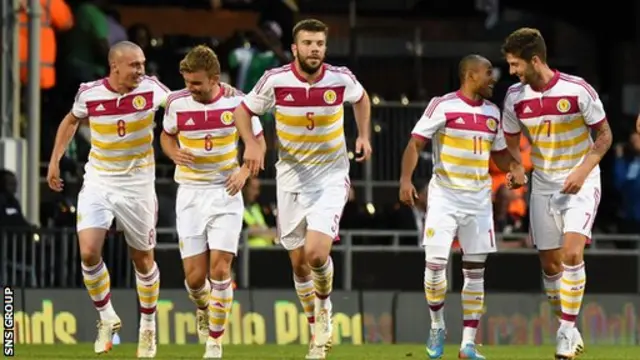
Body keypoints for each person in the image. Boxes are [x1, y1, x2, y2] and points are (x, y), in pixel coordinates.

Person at [234, 18, 372, 360]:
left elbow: (362, 98)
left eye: (320, 44)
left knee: (315, 254)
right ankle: (316, 334)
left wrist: (363, 134)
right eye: (308, 43)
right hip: (290, 178)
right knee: (298, 264)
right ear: (295, 48)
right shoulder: (275, 79)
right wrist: (252, 142)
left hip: (330, 176)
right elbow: (243, 109)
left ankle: (324, 312)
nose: (315, 49)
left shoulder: (340, 78)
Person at [399, 54, 525, 360]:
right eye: (487, 73)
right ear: (470, 76)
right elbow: (416, 143)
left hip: (479, 199)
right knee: (434, 268)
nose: (492, 79)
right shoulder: (442, 106)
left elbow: (499, 156)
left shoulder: (493, 113)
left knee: (475, 272)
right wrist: (405, 179)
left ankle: (468, 344)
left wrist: (516, 167)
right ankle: (437, 325)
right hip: (444, 196)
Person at [47, 41, 168, 358]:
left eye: (142, 64)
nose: (141, 70)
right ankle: (107, 318)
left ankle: (148, 327)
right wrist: (55, 159)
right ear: (115, 66)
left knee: (142, 260)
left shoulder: (153, 89)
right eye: (134, 65)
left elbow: (183, 104)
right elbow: (71, 120)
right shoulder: (89, 93)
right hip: (99, 181)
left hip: (138, 185)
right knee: (88, 252)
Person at [501, 28, 612, 360]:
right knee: (550, 266)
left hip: (581, 180)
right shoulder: (514, 97)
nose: (512, 72)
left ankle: (564, 332)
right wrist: (518, 167)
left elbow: (604, 136)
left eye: (516, 64)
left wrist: (583, 170)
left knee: (571, 255)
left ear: (535, 60)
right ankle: (571, 329)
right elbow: (509, 136)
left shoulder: (577, 90)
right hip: (544, 186)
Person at [160, 45, 266, 358]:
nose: (190, 88)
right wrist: (172, 151)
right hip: (190, 193)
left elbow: (257, 143)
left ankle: (214, 343)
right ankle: (205, 307)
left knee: (220, 270)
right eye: (187, 82)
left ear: (214, 79)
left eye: (196, 83)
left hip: (226, 192)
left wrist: (245, 171)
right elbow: (166, 135)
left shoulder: (238, 102)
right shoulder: (177, 103)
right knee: (194, 280)